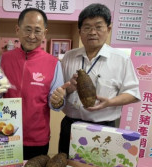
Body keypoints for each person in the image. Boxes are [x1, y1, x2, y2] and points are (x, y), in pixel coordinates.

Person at [59, 3, 141, 155]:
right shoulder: (69, 56)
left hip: (104, 128)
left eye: (98, 27)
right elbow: (60, 89)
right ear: (80, 31)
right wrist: (70, 87)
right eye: (87, 27)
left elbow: (133, 93)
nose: (92, 32)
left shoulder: (121, 59)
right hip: (70, 125)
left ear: (108, 29)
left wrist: (110, 102)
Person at [0, 8, 67, 160]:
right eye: (27, 30)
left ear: (45, 33)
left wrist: (58, 101)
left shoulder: (53, 63)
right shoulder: (4, 59)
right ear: (17, 30)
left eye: (37, 31)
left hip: (37, 139)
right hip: (5, 134)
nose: (31, 36)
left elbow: (56, 104)